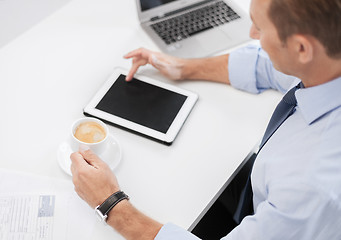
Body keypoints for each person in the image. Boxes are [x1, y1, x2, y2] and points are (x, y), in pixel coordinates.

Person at [70, 0, 341, 239]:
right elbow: (266, 65)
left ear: (302, 48)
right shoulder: (327, 63)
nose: (251, 34)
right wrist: (183, 68)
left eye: (260, 27)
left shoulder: (313, 187)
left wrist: (110, 205)